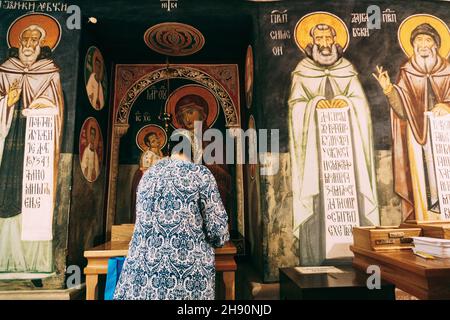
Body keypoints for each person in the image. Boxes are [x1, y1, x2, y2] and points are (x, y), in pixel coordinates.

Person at [288, 20, 379, 265]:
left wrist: (345, 103)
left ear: (336, 41)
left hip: (347, 157)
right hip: (315, 159)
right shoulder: (302, 70)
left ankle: (358, 258)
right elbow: (296, 107)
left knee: (353, 203)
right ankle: (314, 259)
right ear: (312, 42)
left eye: (329, 38)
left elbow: (361, 105)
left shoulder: (346, 68)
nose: (326, 44)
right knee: (317, 207)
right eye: (320, 40)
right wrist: (316, 104)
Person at [113, 131, 230, 300]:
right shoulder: (200, 174)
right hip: (186, 280)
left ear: (170, 150)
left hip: (140, 279)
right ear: (195, 151)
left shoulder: (148, 176)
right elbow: (218, 231)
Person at [0, 24, 64, 273]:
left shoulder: (50, 71)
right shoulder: (5, 69)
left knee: (32, 193)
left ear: (41, 44)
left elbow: (54, 103)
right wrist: (8, 101)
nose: (28, 44)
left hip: (35, 143)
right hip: (7, 138)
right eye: (24, 39)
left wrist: (40, 105)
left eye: (33, 40)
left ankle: (33, 260)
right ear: (17, 42)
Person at [373, 21, 450, 221]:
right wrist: (389, 89)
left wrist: (446, 106)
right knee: (424, 180)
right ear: (413, 45)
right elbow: (403, 110)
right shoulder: (407, 71)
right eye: (419, 40)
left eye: (427, 40)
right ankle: (427, 219)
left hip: (446, 137)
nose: (423, 44)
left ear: (436, 44)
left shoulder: (448, 70)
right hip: (419, 138)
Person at [175, 94, 232, 212]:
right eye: (183, 115)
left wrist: (200, 167)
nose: (187, 119)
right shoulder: (181, 140)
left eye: (190, 112)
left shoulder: (213, 138)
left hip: (210, 191)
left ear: (202, 113)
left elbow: (223, 173)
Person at [129, 132, 163, 222]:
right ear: (148, 144)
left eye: (157, 139)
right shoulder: (148, 155)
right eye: (153, 141)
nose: (157, 142)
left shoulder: (160, 152)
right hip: (147, 182)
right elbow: (146, 171)